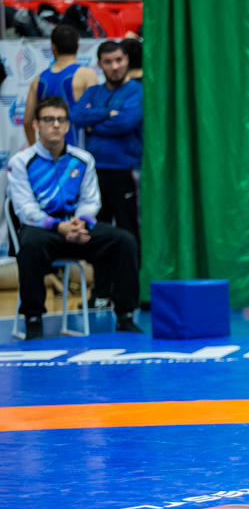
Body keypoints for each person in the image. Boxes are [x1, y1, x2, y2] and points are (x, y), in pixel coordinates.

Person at [7, 96, 141, 340]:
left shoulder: (83, 159)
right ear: (36, 125)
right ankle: (34, 320)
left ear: (68, 125)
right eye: (48, 119)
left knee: (124, 240)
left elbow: (91, 201)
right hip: (44, 230)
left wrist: (80, 223)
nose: (55, 125)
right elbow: (25, 209)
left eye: (61, 120)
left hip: (78, 228)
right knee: (30, 244)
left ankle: (125, 317)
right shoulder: (21, 162)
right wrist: (59, 226)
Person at [70, 40, 143, 309]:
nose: (115, 66)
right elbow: (77, 116)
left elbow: (126, 122)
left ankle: (128, 297)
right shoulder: (93, 92)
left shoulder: (137, 91)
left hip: (125, 171)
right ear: (99, 65)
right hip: (95, 173)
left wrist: (96, 122)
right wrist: (107, 113)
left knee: (128, 233)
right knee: (96, 232)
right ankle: (100, 294)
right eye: (108, 62)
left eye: (119, 60)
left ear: (127, 60)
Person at [23, 24, 98, 148]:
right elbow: (94, 116)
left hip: (47, 152)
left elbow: (27, 121)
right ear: (78, 47)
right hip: (77, 152)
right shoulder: (87, 74)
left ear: (53, 48)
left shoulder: (38, 79)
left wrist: (34, 148)